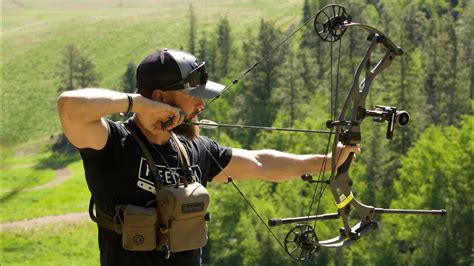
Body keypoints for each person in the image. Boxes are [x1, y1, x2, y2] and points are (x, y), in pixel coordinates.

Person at [57, 48, 360, 266]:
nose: (201, 105)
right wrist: (138, 104)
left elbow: (261, 163)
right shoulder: (113, 143)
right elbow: (69, 107)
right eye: (195, 97)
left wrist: (326, 161)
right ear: (161, 97)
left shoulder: (193, 150)